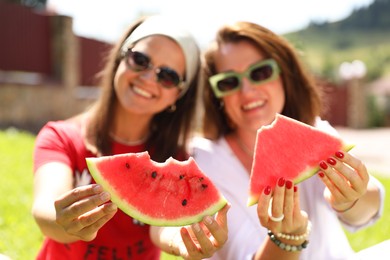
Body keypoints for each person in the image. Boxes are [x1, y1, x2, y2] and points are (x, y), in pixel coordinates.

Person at [32, 15, 229, 260]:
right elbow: (45, 209)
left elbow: (162, 227)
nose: (148, 78)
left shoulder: (175, 157)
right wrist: (61, 220)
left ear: (178, 95)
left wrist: (180, 240)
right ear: (120, 59)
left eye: (167, 76)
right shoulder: (61, 137)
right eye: (140, 59)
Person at [191, 21, 385, 260]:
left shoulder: (311, 128)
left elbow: (367, 213)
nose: (247, 90)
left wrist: (353, 198)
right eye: (228, 82)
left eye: (260, 72)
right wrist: (286, 240)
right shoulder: (205, 163)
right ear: (217, 95)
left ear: (285, 75)